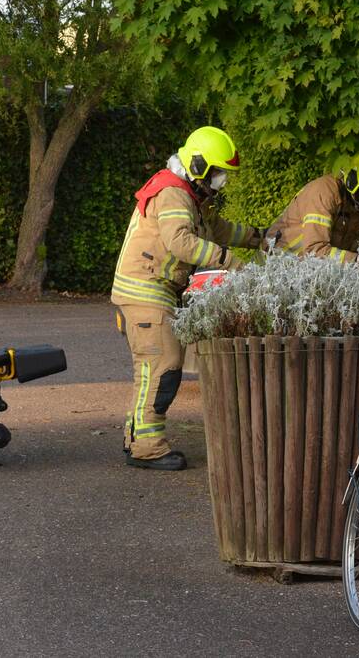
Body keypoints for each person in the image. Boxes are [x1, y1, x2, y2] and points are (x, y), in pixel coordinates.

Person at [112, 126, 265, 470]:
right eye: (217, 173)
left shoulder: (188, 194)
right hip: (146, 292)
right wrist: (229, 261)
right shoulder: (173, 194)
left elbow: (219, 229)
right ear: (197, 165)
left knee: (150, 371)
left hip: (150, 290)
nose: (221, 181)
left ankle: (136, 437)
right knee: (163, 366)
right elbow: (180, 241)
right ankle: (147, 447)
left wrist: (261, 238)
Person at [265, 152, 359, 282]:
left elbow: (342, 251)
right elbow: (315, 251)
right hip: (272, 270)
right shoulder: (324, 192)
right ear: (352, 181)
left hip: (304, 275)